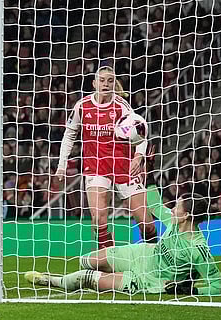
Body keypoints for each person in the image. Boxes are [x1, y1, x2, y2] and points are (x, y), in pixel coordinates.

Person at [25, 187, 221, 296]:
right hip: (143, 254)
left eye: (177, 207)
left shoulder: (197, 248)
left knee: (86, 277)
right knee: (87, 261)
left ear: (185, 216)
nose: (172, 209)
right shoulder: (173, 222)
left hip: (150, 281)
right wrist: (144, 163)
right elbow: (154, 203)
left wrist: (189, 289)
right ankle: (110, 275)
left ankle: (50, 280)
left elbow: (218, 286)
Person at [56, 66, 157, 248]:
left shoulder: (121, 106)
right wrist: (62, 164)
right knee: (98, 220)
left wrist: (138, 156)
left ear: (114, 83)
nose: (106, 84)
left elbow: (140, 131)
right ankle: (110, 264)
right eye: (102, 80)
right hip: (96, 167)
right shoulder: (82, 106)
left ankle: (154, 260)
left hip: (124, 166)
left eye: (110, 80)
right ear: (94, 83)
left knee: (147, 225)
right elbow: (69, 134)